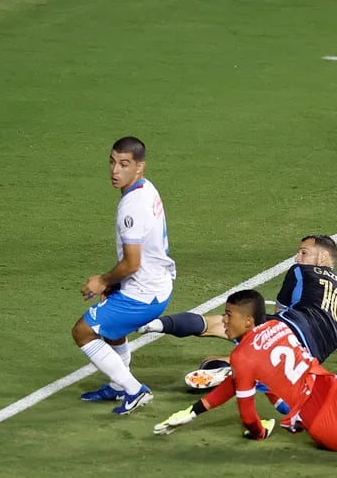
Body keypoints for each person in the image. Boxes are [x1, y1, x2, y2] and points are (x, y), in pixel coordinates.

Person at [154, 289, 337, 452]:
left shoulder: (242, 357)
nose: (224, 321)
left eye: (228, 315)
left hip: (323, 421)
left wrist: (259, 432)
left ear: (248, 321)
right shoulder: (279, 326)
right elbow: (235, 380)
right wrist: (194, 410)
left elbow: (248, 417)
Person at [73, 136, 176, 415]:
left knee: (83, 332)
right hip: (155, 282)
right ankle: (119, 386)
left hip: (144, 293)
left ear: (139, 167)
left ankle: (133, 389)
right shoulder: (146, 188)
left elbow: (131, 263)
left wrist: (103, 281)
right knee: (113, 331)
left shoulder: (132, 207)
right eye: (112, 162)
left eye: (124, 164)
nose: (115, 170)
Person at [139, 235, 337, 364]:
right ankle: (230, 367)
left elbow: (279, 315)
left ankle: (154, 324)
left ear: (323, 258)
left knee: (224, 321)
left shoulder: (302, 270)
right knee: (264, 362)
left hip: (291, 330)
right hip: (310, 359)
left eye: (304, 253)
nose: (297, 259)